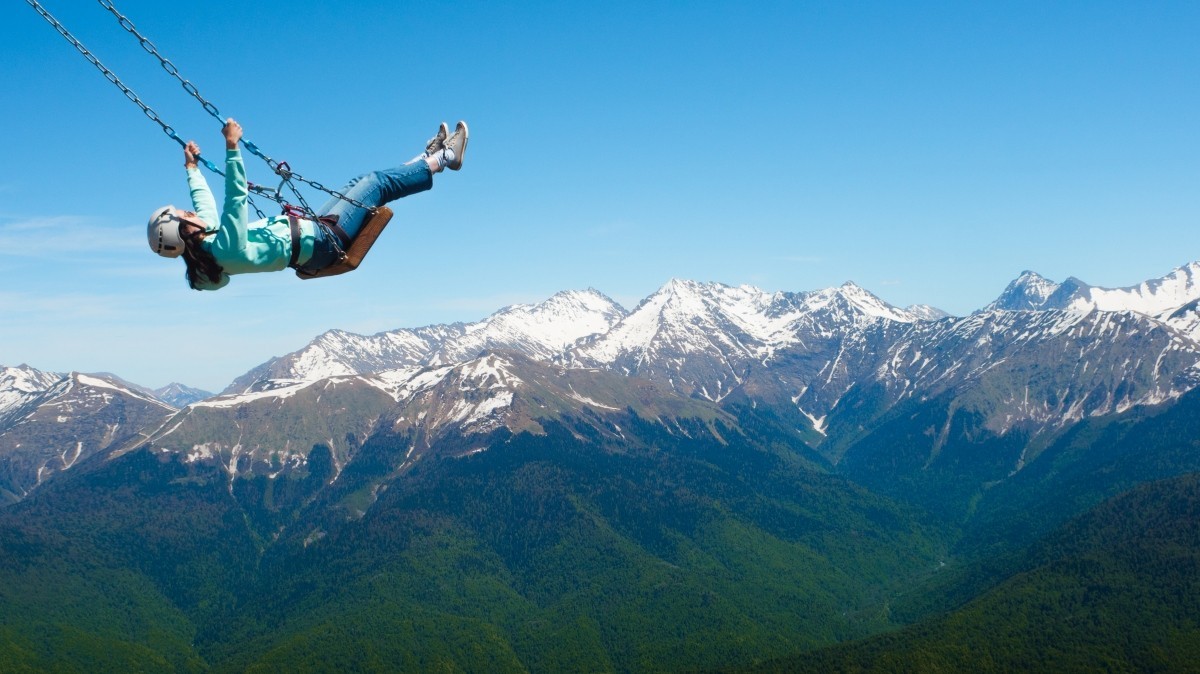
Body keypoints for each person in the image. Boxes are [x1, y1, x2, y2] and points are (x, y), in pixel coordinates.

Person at [147, 118, 467, 290]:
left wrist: (191, 169)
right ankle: (446, 157)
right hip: (323, 243)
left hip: (314, 236)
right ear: (183, 232)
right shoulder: (223, 248)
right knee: (374, 184)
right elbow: (234, 201)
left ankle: (427, 159)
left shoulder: (209, 250)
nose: (189, 212)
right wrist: (232, 147)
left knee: (362, 183)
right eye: (183, 216)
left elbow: (204, 209)